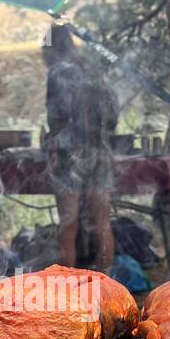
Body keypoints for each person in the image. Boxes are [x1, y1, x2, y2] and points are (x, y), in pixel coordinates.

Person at [42, 25, 118, 270]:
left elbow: (56, 117)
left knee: (68, 222)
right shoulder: (91, 67)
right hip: (99, 151)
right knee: (102, 222)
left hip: (68, 153)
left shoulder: (58, 72)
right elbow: (113, 111)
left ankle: (69, 291)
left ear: (51, 47)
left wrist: (53, 148)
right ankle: (108, 286)